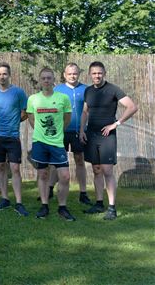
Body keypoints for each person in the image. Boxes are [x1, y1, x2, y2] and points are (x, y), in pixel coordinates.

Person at [80, 61, 138, 220]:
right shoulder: (88, 91)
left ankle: (112, 208)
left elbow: (132, 107)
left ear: (104, 73)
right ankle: (99, 203)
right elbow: (85, 112)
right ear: (90, 74)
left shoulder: (113, 89)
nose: (97, 75)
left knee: (107, 171)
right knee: (96, 170)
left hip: (107, 136)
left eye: (99, 73)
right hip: (91, 135)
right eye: (94, 73)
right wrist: (81, 130)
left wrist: (116, 124)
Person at [27, 68, 76, 221]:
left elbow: (67, 118)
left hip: (57, 143)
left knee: (65, 176)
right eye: (43, 78)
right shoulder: (33, 99)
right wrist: (42, 133)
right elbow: (31, 119)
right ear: (40, 80)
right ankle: (44, 205)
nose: (46, 80)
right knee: (42, 174)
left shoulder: (63, 98)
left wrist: (57, 133)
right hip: (39, 142)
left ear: (54, 80)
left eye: (49, 78)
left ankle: (62, 207)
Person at [0, 63, 29, 216]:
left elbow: (25, 112)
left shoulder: (18, 93)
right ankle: (4, 199)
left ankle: (19, 202)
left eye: (5, 74)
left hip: (13, 137)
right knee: (0, 168)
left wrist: (14, 122)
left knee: (15, 169)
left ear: (9, 75)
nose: (2, 77)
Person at [50, 63, 92, 205]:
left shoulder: (86, 89)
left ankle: (83, 193)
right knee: (57, 162)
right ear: (64, 75)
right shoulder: (57, 89)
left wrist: (83, 129)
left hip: (79, 132)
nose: (72, 76)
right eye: (69, 74)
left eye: (75, 73)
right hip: (61, 132)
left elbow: (88, 111)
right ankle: (49, 189)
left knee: (80, 160)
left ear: (78, 73)